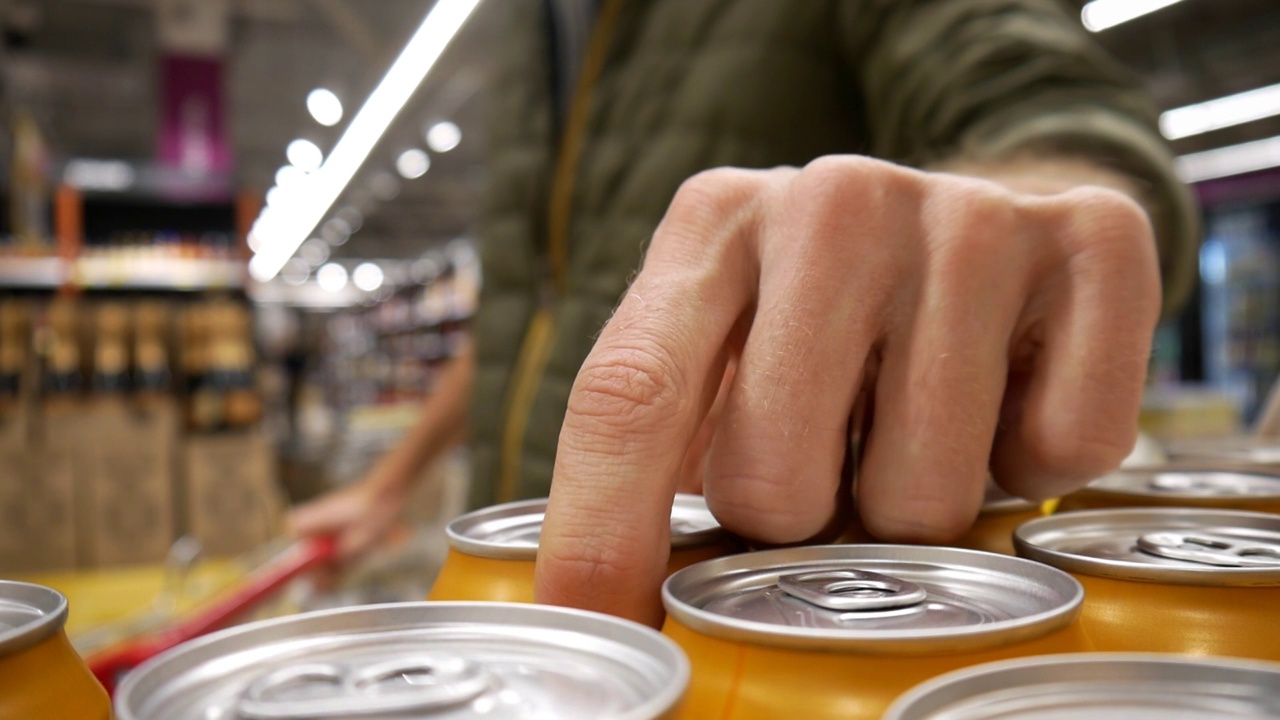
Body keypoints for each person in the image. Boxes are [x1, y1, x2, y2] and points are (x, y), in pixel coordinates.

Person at [293, 0, 1199, 626]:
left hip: (753, 568)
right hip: (530, 555)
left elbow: (1054, 104)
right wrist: (390, 482)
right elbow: (525, 305)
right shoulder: (532, 27)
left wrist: (1021, 218)